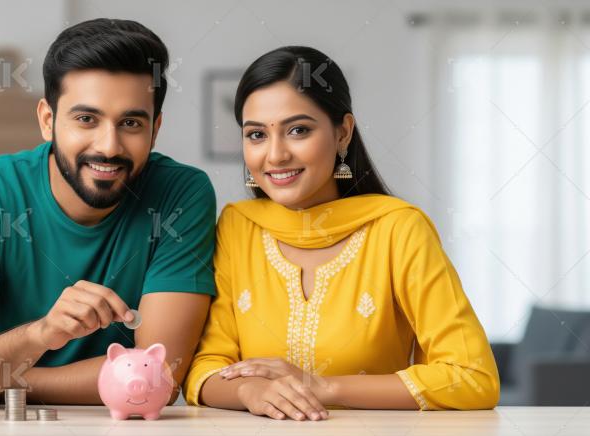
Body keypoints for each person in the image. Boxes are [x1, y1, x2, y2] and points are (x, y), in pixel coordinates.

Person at [184, 46, 500, 420]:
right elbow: (204, 369)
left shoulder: (399, 229)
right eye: (256, 135)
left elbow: (472, 377)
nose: (275, 155)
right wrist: (249, 390)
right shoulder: (239, 226)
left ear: (343, 133)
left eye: (298, 130)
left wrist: (322, 387)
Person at [0, 19, 216, 405]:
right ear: (47, 120)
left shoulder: (181, 194)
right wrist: (40, 333)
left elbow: (160, 377)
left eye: (130, 123)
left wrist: (4, 381)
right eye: (86, 119)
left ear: (156, 129)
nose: (109, 146)